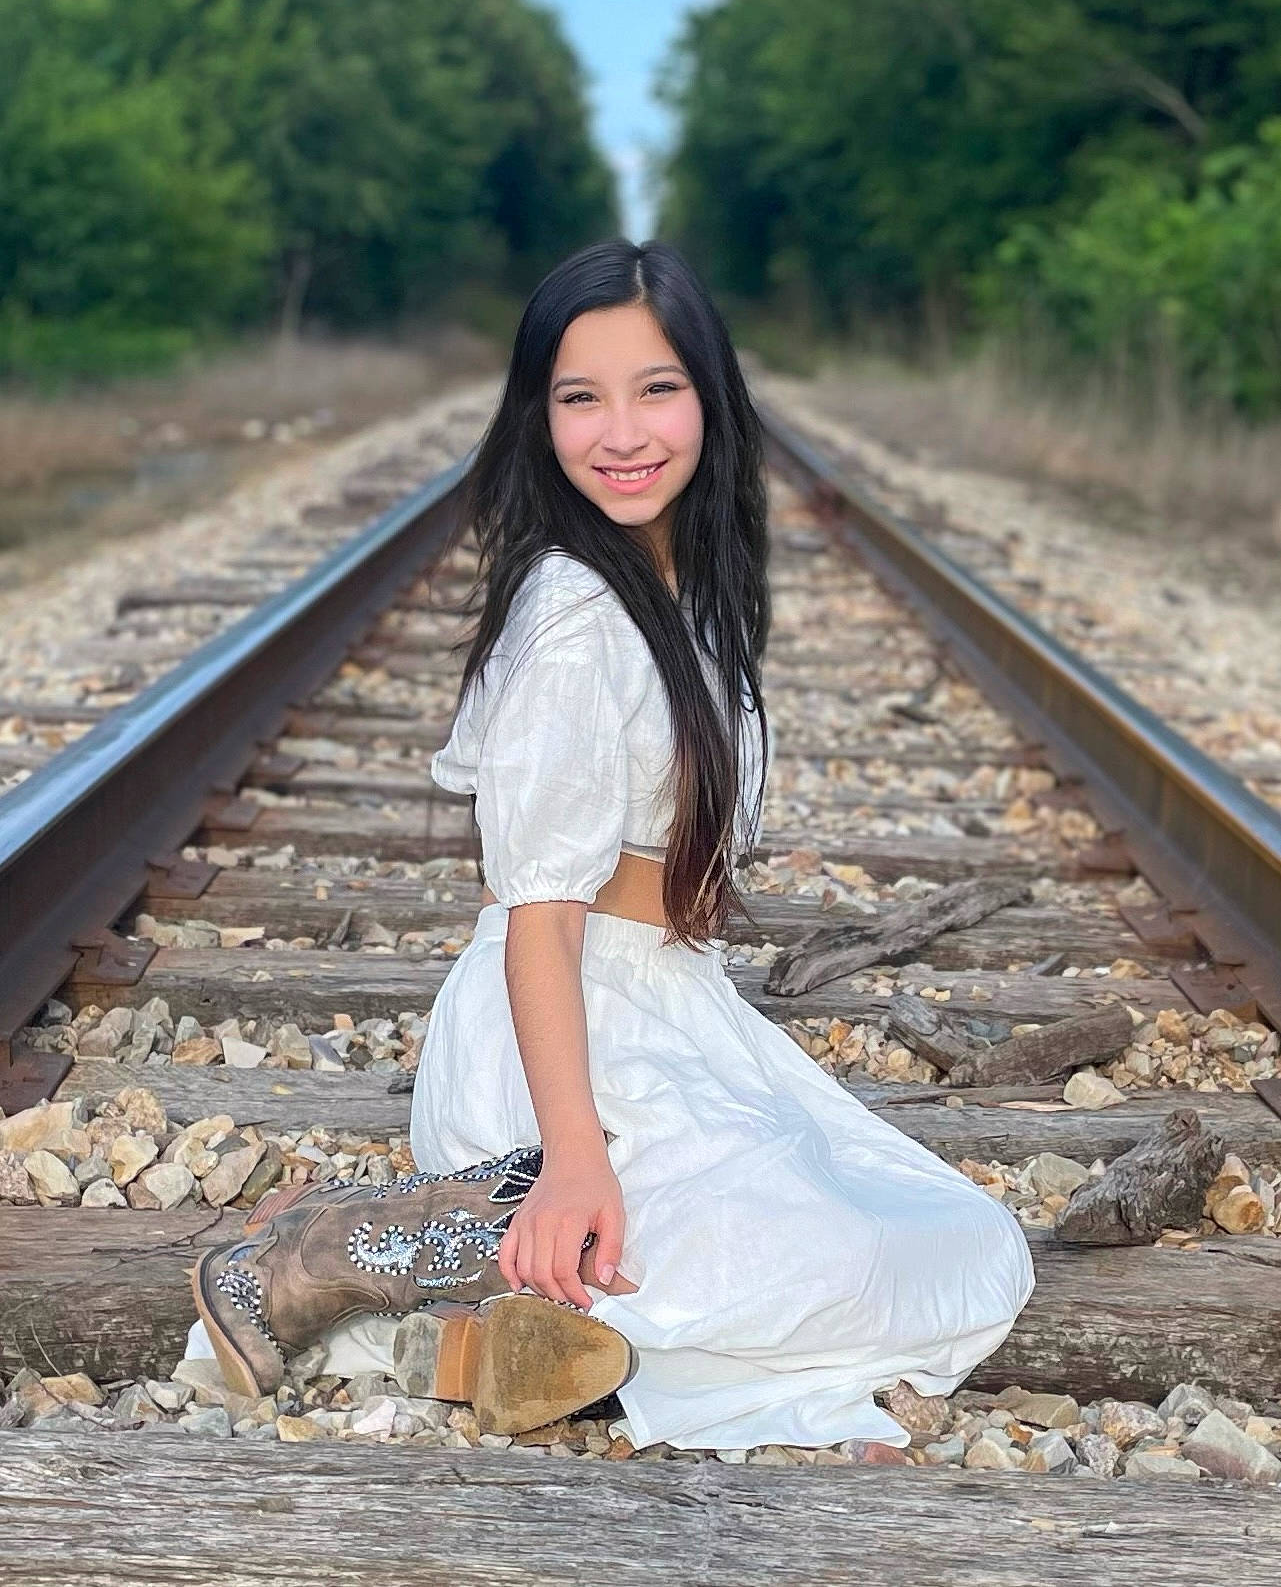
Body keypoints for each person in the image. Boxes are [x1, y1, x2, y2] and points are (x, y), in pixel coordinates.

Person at [187, 237, 1034, 1450]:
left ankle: (487, 1325)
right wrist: (579, 1158)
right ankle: (379, 1241)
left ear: (711, 398)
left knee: (951, 1241)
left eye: (657, 389)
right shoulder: (578, 616)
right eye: (579, 398)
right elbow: (540, 914)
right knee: (839, 1265)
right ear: (539, 419)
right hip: (561, 1038)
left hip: (664, 1014)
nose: (621, 431)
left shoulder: (682, 583)